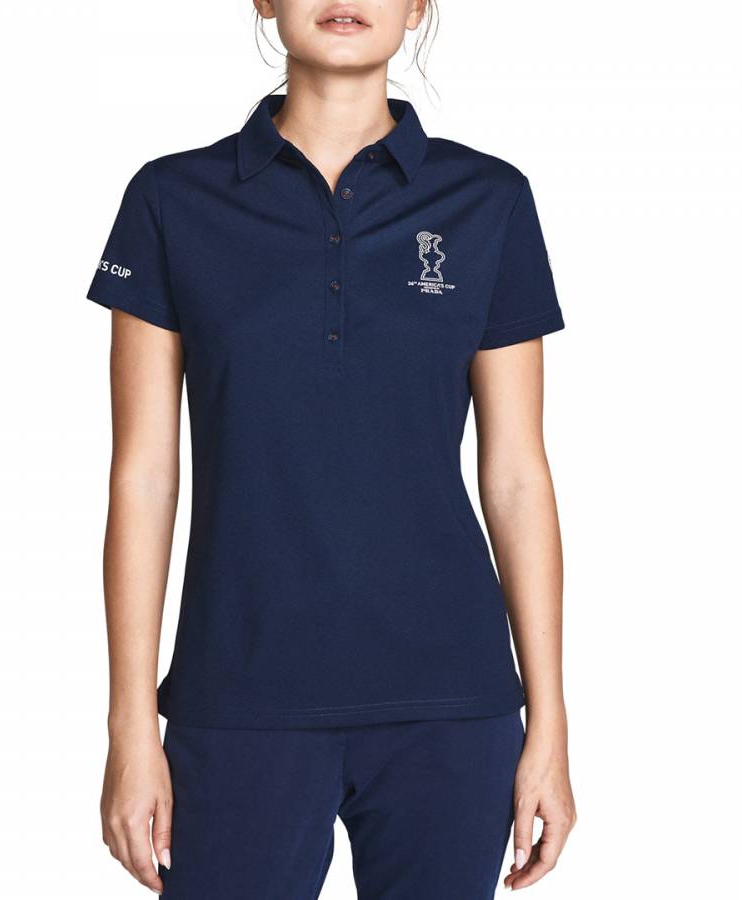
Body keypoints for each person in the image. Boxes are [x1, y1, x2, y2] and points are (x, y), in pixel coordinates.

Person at [87, 1, 576, 896]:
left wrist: (550, 722)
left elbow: (515, 475)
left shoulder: (488, 199)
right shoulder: (171, 199)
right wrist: (129, 728)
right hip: (236, 699)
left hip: (450, 703)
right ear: (264, 0)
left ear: (417, 6)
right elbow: (144, 478)